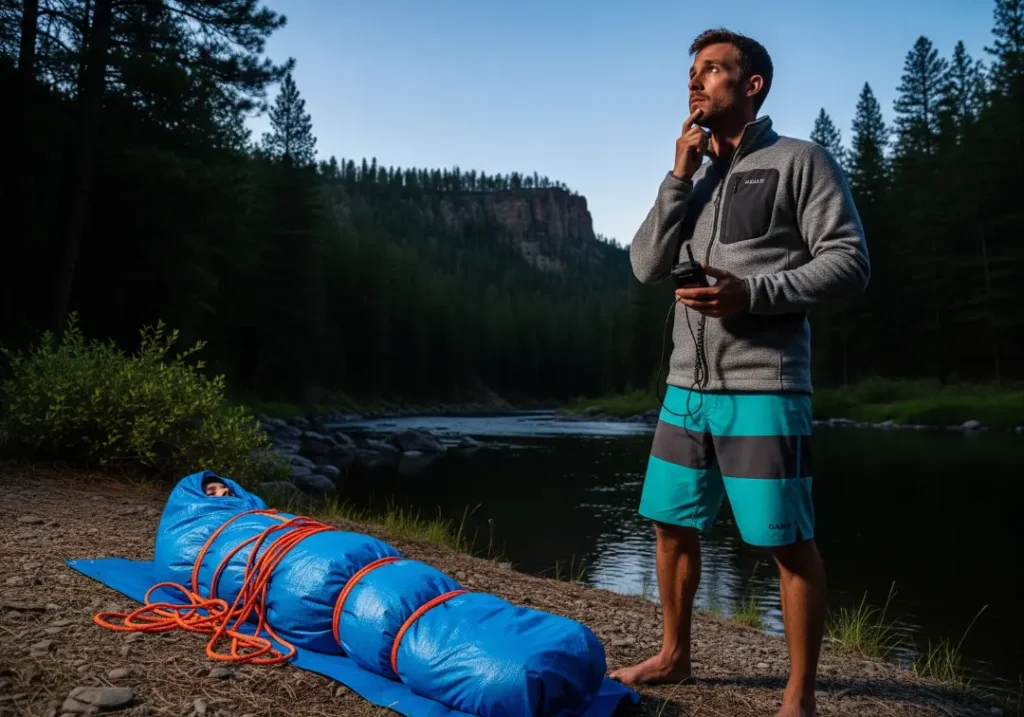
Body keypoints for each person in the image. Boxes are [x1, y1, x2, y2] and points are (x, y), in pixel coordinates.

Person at [610, 28, 870, 717]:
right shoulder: (692, 177)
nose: (696, 83)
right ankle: (673, 655)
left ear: (752, 84)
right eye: (692, 72)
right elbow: (642, 265)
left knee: (787, 540)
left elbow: (849, 260)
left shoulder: (799, 161)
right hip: (684, 389)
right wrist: (677, 177)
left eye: (713, 70)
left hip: (765, 383)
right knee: (670, 524)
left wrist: (752, 293)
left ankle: (799, 694)